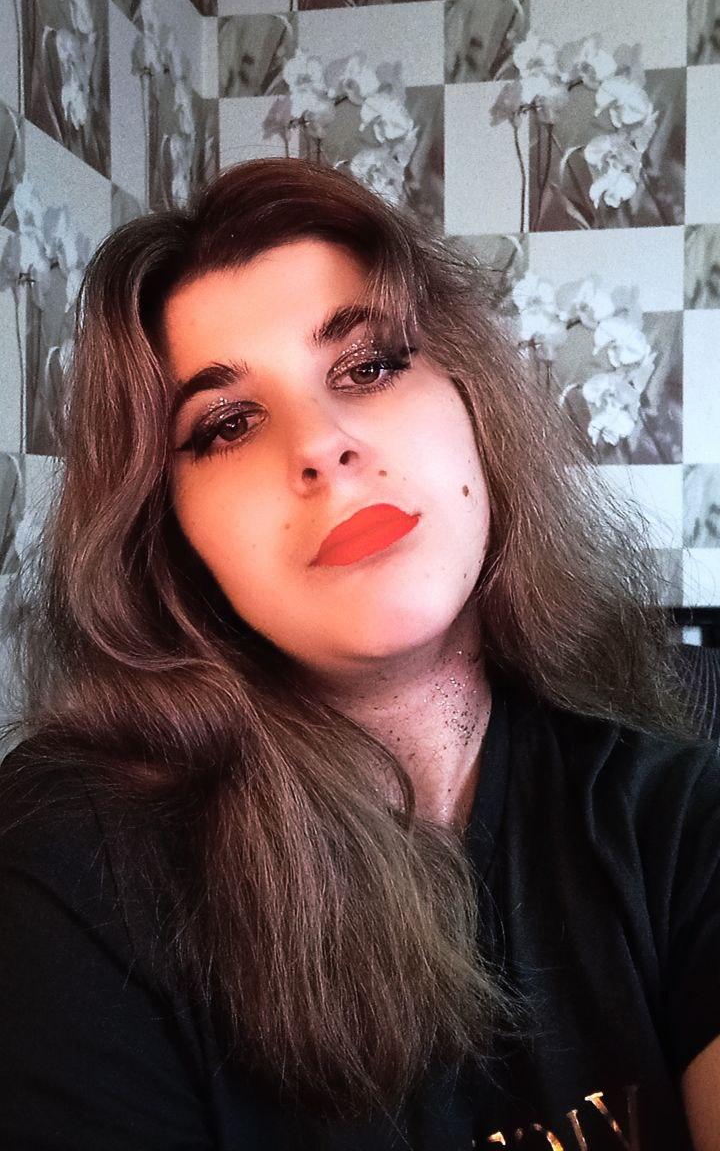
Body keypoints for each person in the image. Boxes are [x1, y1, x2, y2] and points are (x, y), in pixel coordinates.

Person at [0, 156, 718, 1151]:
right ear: (171, 538)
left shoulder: (675, 822)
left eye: (369, 366)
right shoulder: (76, 864)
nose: (319, 445)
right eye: (227, 423)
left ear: (474, 407)